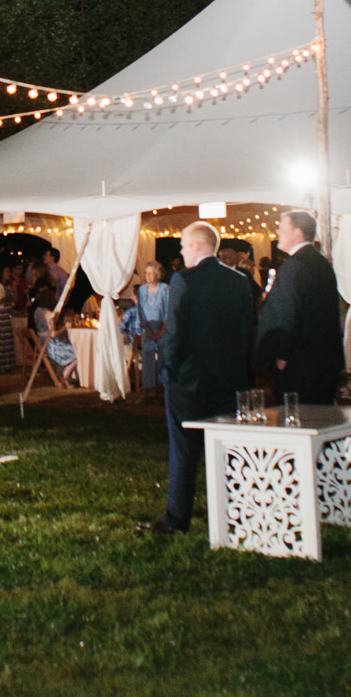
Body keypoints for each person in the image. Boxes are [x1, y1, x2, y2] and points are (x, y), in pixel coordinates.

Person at [139, 220, 254, 535]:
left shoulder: (184, 280)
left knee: (184, 451)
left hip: (189, 382)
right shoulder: (239, 281)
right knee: (231, 451)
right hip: (229, 380)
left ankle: (176, 520)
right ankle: (239, 515)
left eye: (182, 245)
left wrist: (167, 370)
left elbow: (174, 331)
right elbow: (246, 332)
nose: (179, 251)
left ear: (196, 246)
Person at [255, 210, 346, 404]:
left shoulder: (293, 266)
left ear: (298, 232)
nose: (278, 232)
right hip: (326, 357)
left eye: (282, 227)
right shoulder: (322, 262)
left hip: (301, 361)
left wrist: (282, 354)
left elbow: (288, 314)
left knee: (300, 420)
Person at [131, 262, 170, 398]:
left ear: (157, 274)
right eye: (146, 273)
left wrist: (161, 330)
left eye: (150, 273)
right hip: (148, 329)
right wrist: (147, 329)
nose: (147, 276)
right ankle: (147, 391)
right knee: (147, 358)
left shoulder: (165, 289)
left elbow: (168, 310)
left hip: (162, 329)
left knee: (163, 359)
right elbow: (141, 311)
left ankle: (162, 390)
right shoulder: (142, 290)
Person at [31, 290, 79, 386]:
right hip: (50, 346)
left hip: (41, 342)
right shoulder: (48, 314)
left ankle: (63, 374)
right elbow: (52, 334)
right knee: (77, 352)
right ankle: (66, 374)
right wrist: (65, 328)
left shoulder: (37, 311)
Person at [0, 268, 19, 372]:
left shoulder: (7, 285)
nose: (9, 274)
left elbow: (14, 300)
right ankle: (2, 366)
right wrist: (9, 292)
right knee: (3, 341)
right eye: (6, 272)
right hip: (1, 315)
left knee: (7, 341)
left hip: (7, 314)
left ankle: (8, 366)